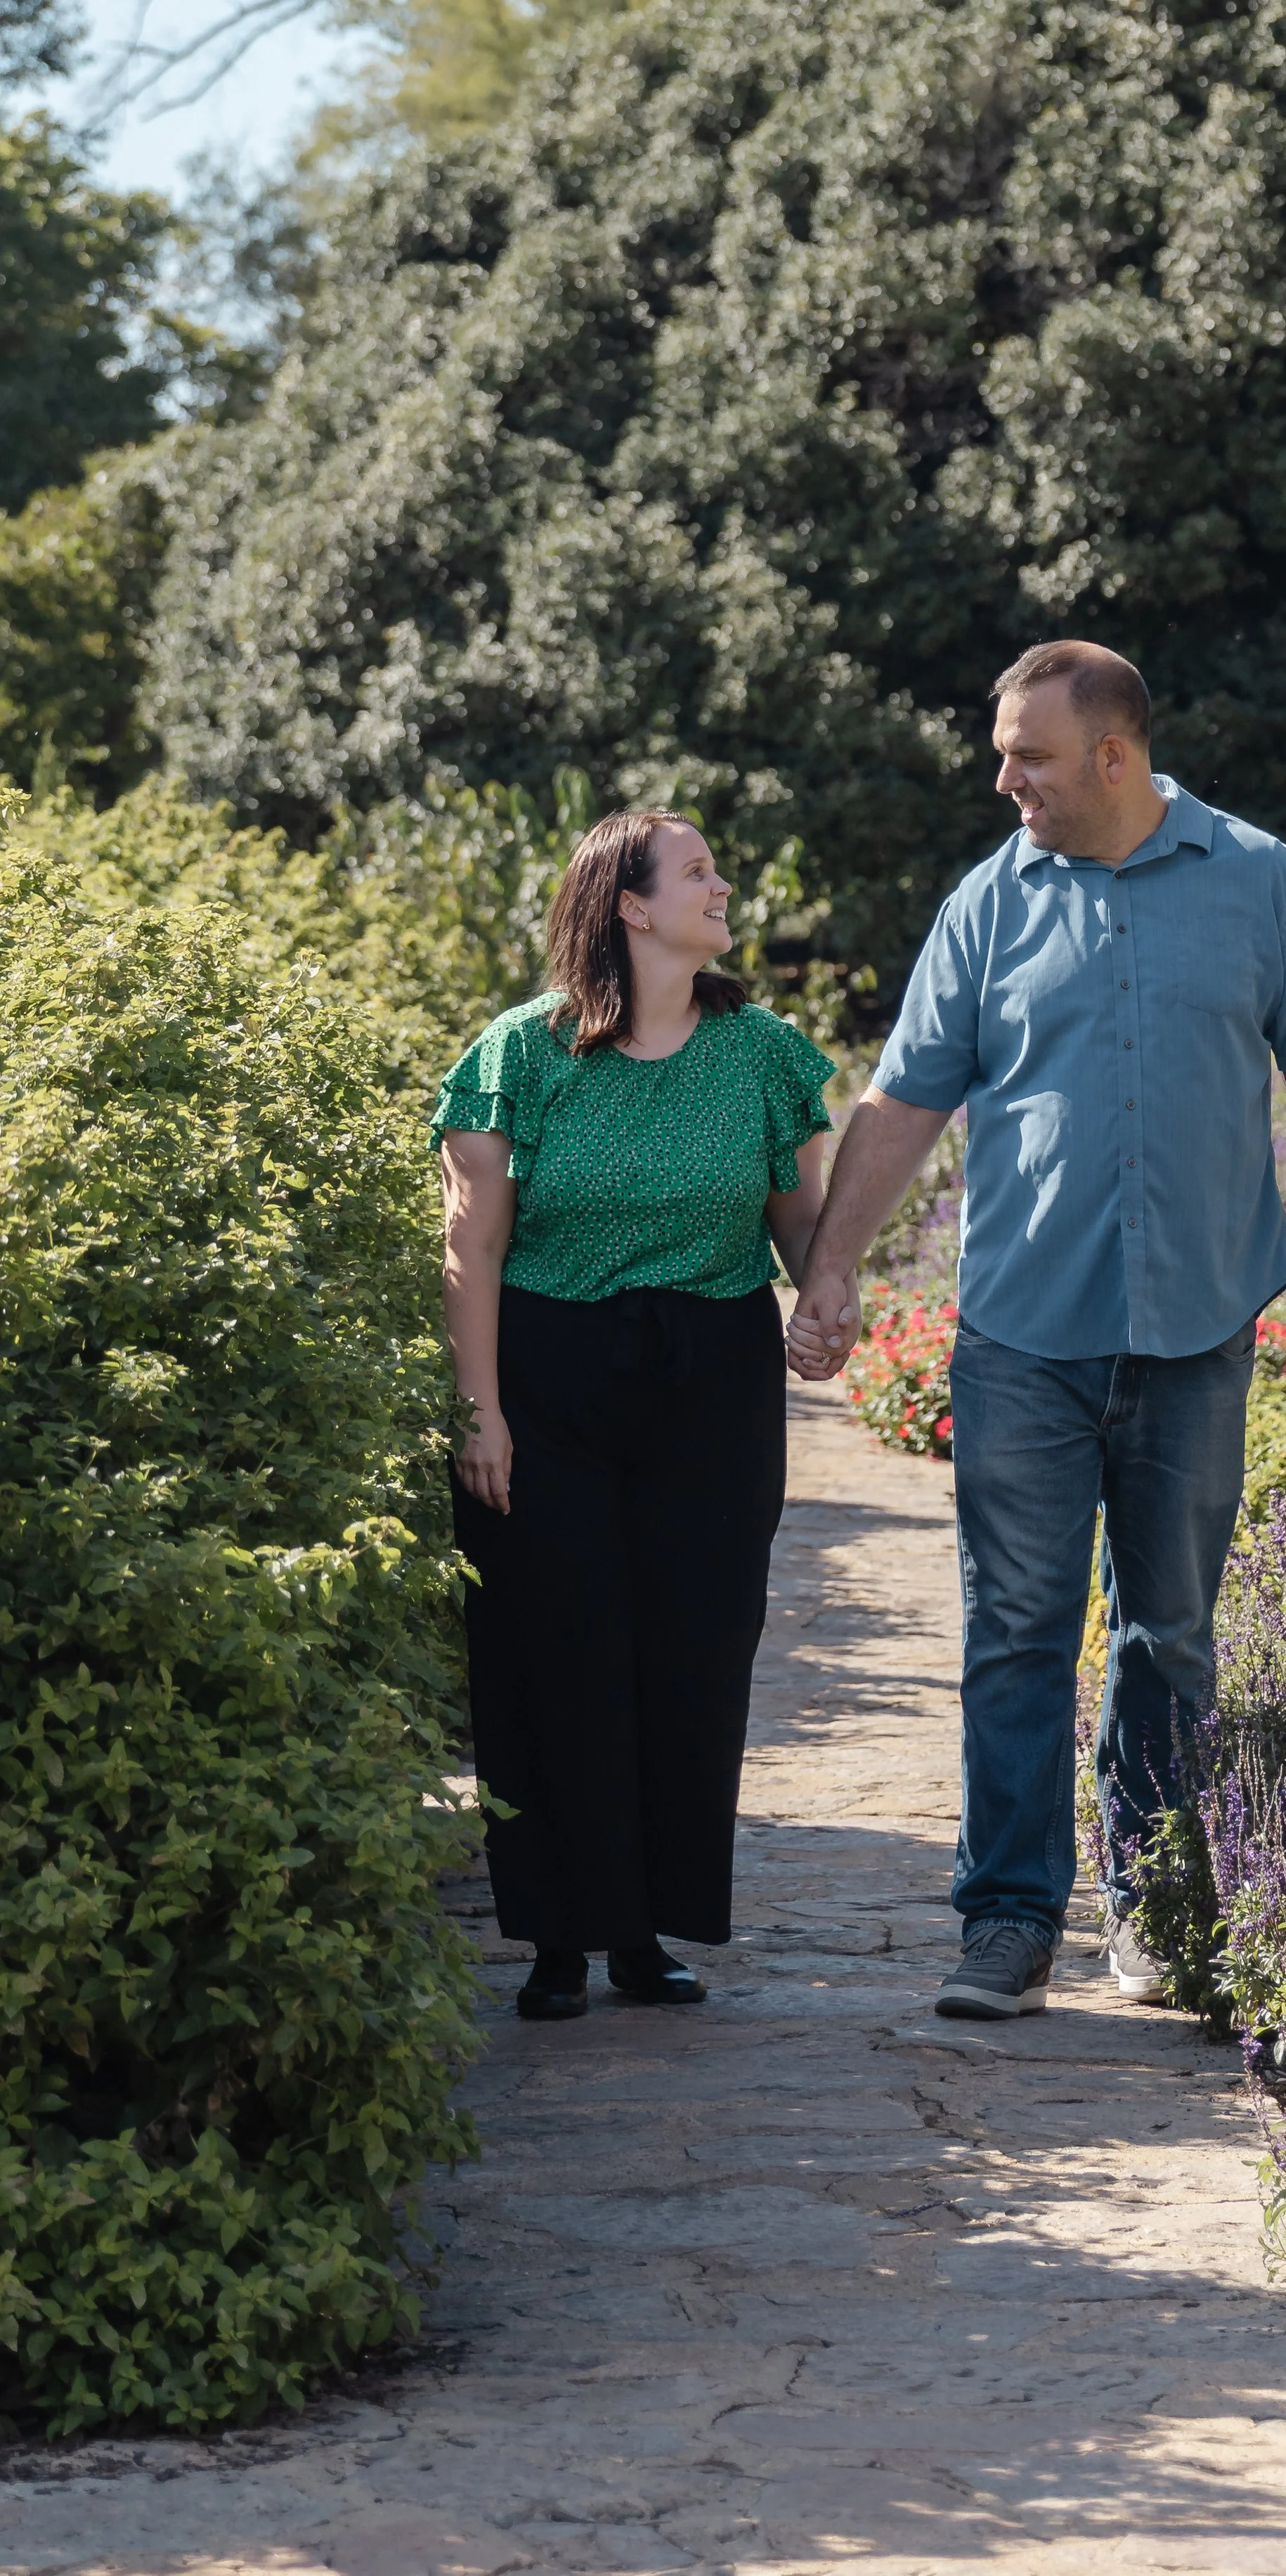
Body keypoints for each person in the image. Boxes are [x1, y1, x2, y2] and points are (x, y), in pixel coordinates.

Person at [787, 640, 1286, 2020]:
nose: (1004, 778)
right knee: (1013, 1633)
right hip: (1022, 1337)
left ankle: (1157, 1910)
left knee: (1166, 1637)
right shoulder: (986, 906)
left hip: (1194, 1331)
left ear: (1112, 757)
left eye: (1028, 756)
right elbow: (899, 1106)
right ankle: (1005, 1922)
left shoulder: (1255, 878)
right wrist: (826, 1268)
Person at [433, 809, 835, 2021]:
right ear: (631, 907)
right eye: (700, 871)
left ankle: (647, 1931)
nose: (725, 885)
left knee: (694, 1650)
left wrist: (831, 1294)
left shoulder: (763, 1052)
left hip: (712, 1378)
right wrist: (478, 1412)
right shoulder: (520, 1055)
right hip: (548, 1381)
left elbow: (799, 1223)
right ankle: (561, 1932)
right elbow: (472, 1249)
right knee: (555, 1648)